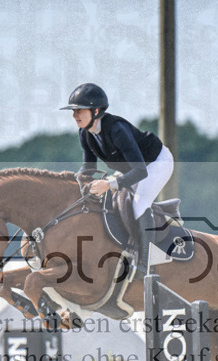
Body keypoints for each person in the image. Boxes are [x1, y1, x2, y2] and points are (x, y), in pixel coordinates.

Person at [61, 82, 174, 273]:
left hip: (155, 163)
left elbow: (140, 172)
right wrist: (72, 182)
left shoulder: (117, 130)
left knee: (139, 203)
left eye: (79, 110)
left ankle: (145, 264)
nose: (74, 115)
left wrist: (110, 183)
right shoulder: (85, 134)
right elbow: (88, 167)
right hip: (131, 168)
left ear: (96, 111)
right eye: (74, 111)